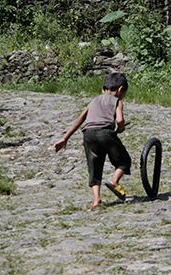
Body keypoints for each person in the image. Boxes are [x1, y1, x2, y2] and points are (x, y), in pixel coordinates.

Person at [54, 72, 131, 209]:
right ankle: (114, 181)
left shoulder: (94, 100)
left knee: (94, 166)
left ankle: (96, 200)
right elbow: (119, 120)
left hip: (88, 135)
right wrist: (120, 129)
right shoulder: (117, 101)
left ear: (103, 89)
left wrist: (64, 138)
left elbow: (79, 120)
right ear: (120, 89)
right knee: (124, 160)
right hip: (106, 134)